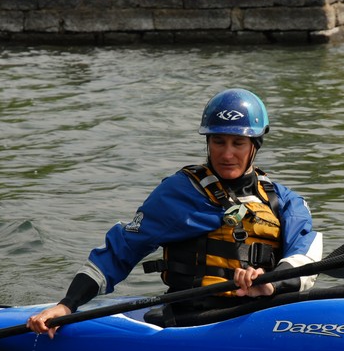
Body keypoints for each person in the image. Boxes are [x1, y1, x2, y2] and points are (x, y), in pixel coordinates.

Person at [27, 88, 323, 337]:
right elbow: (122, 250)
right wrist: (67, 305)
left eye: (238, 143)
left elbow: (306, 255)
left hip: (262, 318)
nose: (227, 153)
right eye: (218, 141)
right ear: (208, 142)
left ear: (255, 145)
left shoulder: (283, 200)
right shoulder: (180, 192)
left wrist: (268, 281)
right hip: (194, 318)